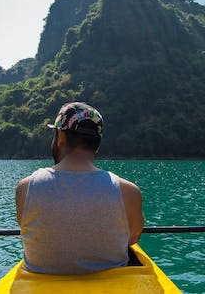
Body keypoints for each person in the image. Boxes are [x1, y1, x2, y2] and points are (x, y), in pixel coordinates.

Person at [15, 102, 144, 274]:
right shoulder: (129, 192)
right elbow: (133, 237)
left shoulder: (25, 188)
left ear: (60, 137)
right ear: (97, 144)